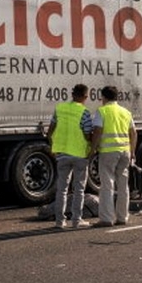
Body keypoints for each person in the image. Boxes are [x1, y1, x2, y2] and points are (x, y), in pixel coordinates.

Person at [89, 86, 137, 227]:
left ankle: (106, 218)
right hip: (125, 151)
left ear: (104, 97)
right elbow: (134, 133)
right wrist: (132, 151)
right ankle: (122, 217)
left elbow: (98, 131)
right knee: (123, 185)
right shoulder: (126, 112)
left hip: (108, 152)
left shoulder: (102, 111)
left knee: (107, 185)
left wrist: (92, 149)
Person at [47, 84, 93, 229]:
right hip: (79, 155)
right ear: (85, 97)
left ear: (72, 94)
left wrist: (54, 147)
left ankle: (59, 221)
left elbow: (50, 132)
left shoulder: (59, 109)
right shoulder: (84, 112)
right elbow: (87, 133)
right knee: (79, 189)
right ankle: (76, 220)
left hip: (62, 155)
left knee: (62, 189)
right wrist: (93, 146)